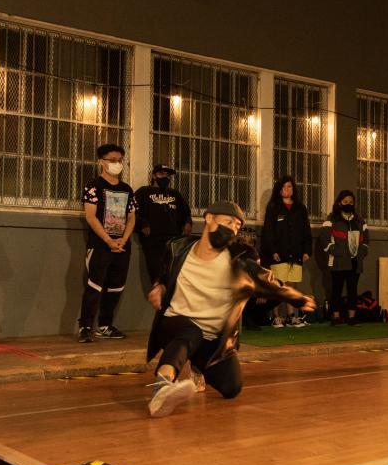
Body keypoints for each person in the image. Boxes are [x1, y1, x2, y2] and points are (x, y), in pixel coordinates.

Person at [144, 201, 316, 417]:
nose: (233, 229)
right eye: (227, 222)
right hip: (175, 322)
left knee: (231, 387)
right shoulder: (177, 247)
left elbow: (270, 283)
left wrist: (298, 298)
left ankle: (195, 363)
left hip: (212, 338)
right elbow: (164, 275)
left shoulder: (240, 261)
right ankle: (162, 387)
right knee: (190, 332)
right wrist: (159, 286)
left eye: (236, 226)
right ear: (208, 218)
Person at [78, 144, 138, 344]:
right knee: (94, 286)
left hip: (122, 246)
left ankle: (105, 326)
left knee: (116, 287)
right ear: (101, 162)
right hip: (101, 245)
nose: (116, 164)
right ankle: (85, 327)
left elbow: (131, 217)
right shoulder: (93, 186)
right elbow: (90, 216)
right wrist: (108, 240)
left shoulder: (126, 189)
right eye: (112, 160)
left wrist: (123, 239)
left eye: (119, 160)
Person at [260, 175, 312, 328]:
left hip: (296, 254)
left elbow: (306, 231)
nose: (286, 190)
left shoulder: (300, 208)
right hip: (278, 254)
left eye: (289, 187)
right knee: (278, 285)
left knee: (291, 285)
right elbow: (268, 232)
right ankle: (276, 317)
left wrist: (306, 251)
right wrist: (273, 251)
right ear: (279, 190)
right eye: (283, 187)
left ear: (293, 189)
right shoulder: (273, 208)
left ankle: (291, 316)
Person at [133, 164, 192, 283]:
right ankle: (159, 296)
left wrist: (187, 222)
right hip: (153, 240)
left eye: (167, 175)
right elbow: (132, 211)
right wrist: (142, 224)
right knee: (156, 274)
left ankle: (169, 299)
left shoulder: (175, 194)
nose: (165, 177)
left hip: (174, 240)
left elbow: (186, 212)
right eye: (161, 174)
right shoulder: (144, 192)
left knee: (174, 274)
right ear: (154, 176)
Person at [319, 190, 370, 326]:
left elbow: (366, 240)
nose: (348, 204)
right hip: (338, 261)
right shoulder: (331, 220)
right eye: (345, 202)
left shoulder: (360, 221)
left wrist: (362, 252)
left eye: (351, 202)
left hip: (355, 262)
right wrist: (335, 251)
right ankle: (335, 318)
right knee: (336, 289)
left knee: (353, 289)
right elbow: (324, 239)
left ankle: (351, 318)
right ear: (339, 202)